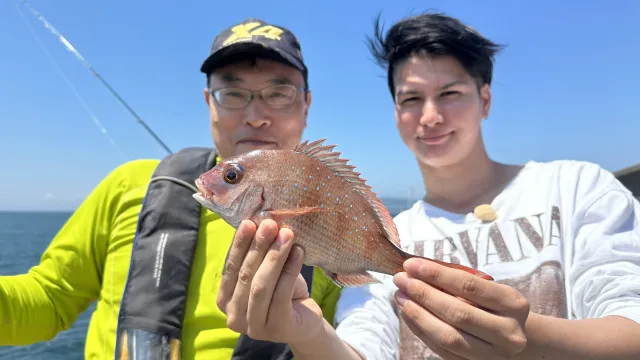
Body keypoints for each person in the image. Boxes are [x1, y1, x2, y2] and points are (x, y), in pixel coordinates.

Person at [216, 10, 640, 360]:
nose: (430, 116)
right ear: (396, 110)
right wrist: (305, 334)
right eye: (411, 99)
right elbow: (362, 345)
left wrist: (532, 336)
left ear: (486, 99)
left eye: (450, 93)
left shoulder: (579, 188)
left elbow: (631, 322)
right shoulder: (401, 234)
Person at [0, 18, 341, 360]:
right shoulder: (129, 185)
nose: (255, 115)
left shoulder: (338, 219)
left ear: (306, 105)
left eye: (279, 94)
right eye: (233, 93)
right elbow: (50, 299)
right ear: (210, 102)